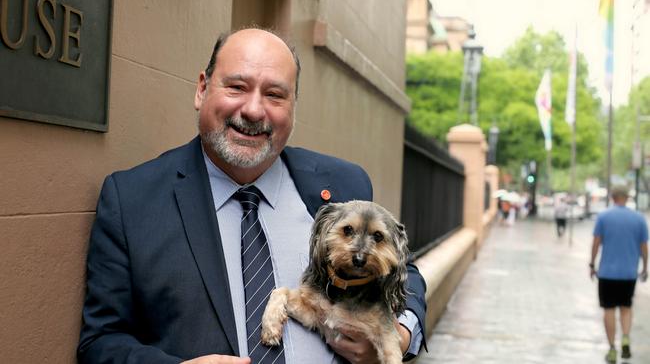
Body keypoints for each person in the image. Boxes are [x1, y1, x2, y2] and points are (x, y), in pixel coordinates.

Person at [77, 28, 426, 364]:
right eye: (237, 87)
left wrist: (402, 335)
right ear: (202, 89)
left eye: (275, 95)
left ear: (293, 106)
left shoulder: (345, 184)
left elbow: (402, 270)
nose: (254, 110)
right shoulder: (132, 200)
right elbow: (101, 341)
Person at [589, 185, 648, 363]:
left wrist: (592, 264)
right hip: (629, 274)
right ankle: (626, 338)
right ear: (627, 198)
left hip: (607, 273)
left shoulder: (604, 217)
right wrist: (645, 267)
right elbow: (644, 246)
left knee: (608, 310)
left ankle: (612, 348)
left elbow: (596, 243)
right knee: (626, 308)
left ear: (613, 197)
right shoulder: (638, 219)